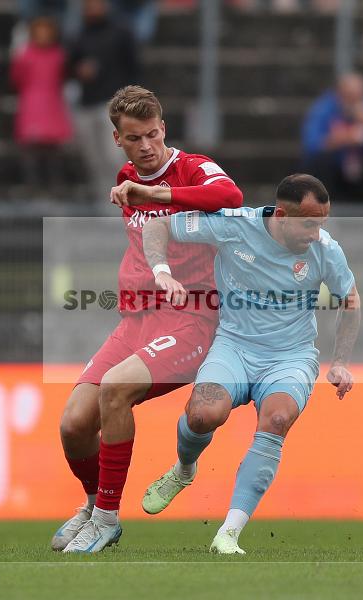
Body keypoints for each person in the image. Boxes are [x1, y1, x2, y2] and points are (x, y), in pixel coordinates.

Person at [55, 85, 244, 553]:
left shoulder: (193, 167)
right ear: (117, 139)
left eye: (153, 134)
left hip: (191, 319)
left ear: (164, 128)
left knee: (116, 389)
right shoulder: (125, 176)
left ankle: (107, 519)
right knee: (74, 423)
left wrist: (154, 191)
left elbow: (230, 194)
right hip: (136, 321)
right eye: (135, 138)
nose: (146, 146)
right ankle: (93, 505)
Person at [139, 174, 361, 554]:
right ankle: (184, 469)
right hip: (234, 347)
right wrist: (162, 272)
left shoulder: (326, 250)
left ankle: (229, 533)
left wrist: (340, 362)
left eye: (321, 223)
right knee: (202, 415)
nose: (316, 233)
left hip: (291, 356)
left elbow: (350, 300)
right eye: (308, 224)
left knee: (277, 419)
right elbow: (158, 225)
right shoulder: (235, 225)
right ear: (281, 215)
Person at [67, 0, 140, 209]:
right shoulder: (80, 35)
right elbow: (68, 67)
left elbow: (133, 67)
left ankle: (129, 201)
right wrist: (79, 70)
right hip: (87, 104)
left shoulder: (121, 32)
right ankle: (104, 203)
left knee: (114, 155)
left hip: (113, 105)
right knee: (93, 159)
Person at [302, 72, 363, 204]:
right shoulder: (324, 108)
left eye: (359, 97)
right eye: (349, 96)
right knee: (319, 163)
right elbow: (311, 145)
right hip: (335, 169)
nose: (354, 102)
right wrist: (340, 140)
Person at [10, 16, 75, 194]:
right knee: (31, 151)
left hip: (52, 104)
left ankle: (56, 185)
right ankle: (33, 186)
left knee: (54, 151)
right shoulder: (25, 56)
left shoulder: (58, 56)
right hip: (32, 105)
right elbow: (16, 78)